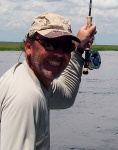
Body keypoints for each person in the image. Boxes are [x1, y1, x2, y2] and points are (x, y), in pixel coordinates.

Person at [0, 13, 96, 150]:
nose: (58, 54)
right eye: (50, 44)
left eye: (67, 47)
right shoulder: (26, 97)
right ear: (28, 46)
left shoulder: (35, 81)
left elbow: (66, 96)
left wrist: (79, 49)